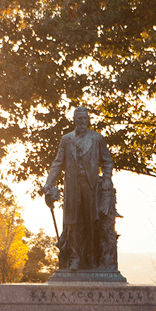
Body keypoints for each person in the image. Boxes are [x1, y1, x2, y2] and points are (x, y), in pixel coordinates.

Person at [43, 107, 115, 271]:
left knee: (91, 221)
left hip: (91, 186)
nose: (82, 121)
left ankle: (91, 257)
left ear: (88, 119)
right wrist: (49, 183)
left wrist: (106, 179)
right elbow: (57, 163)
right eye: (79, 119)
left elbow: (107, 161)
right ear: (74, 120)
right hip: (72, 186)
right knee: (72, 222)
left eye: (84, 118)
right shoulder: (66, 140)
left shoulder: (97, 139)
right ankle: (75, 258)